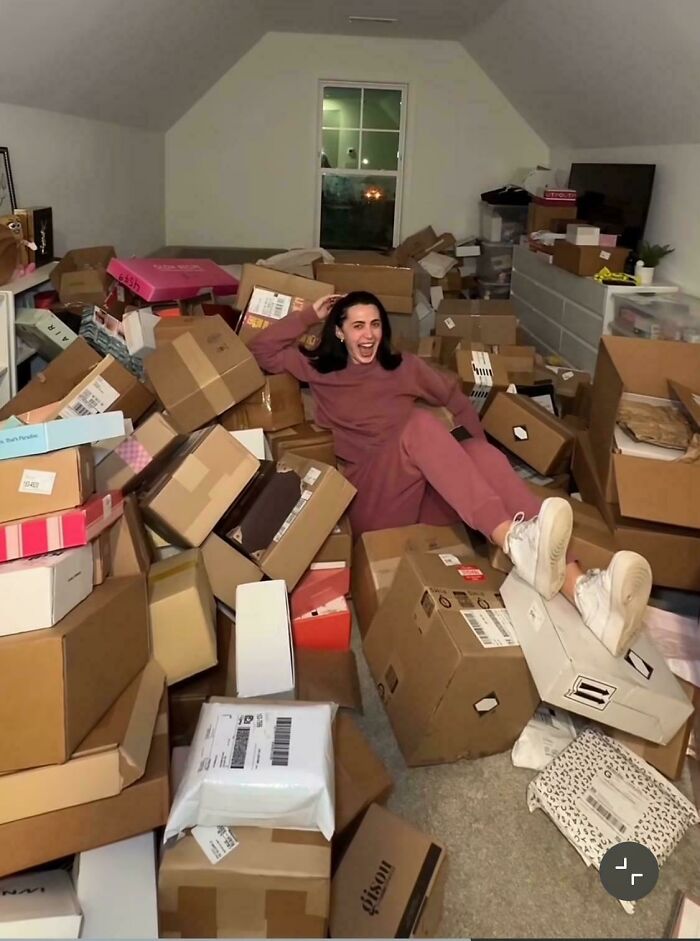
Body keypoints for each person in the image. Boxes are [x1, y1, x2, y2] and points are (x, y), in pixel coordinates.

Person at [249, 290, 652, 656]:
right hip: (371, 500)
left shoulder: (404, 367)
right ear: (338, 333)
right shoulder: (319, 367)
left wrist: (476, 453)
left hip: (418, 494)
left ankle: (584, 594)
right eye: (357, 326)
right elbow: (260, 349)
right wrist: (306, 315)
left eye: (375, 325)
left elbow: (455, 400)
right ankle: (514, 538)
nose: (368, 335)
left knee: (484, 455)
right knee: (421, 426)